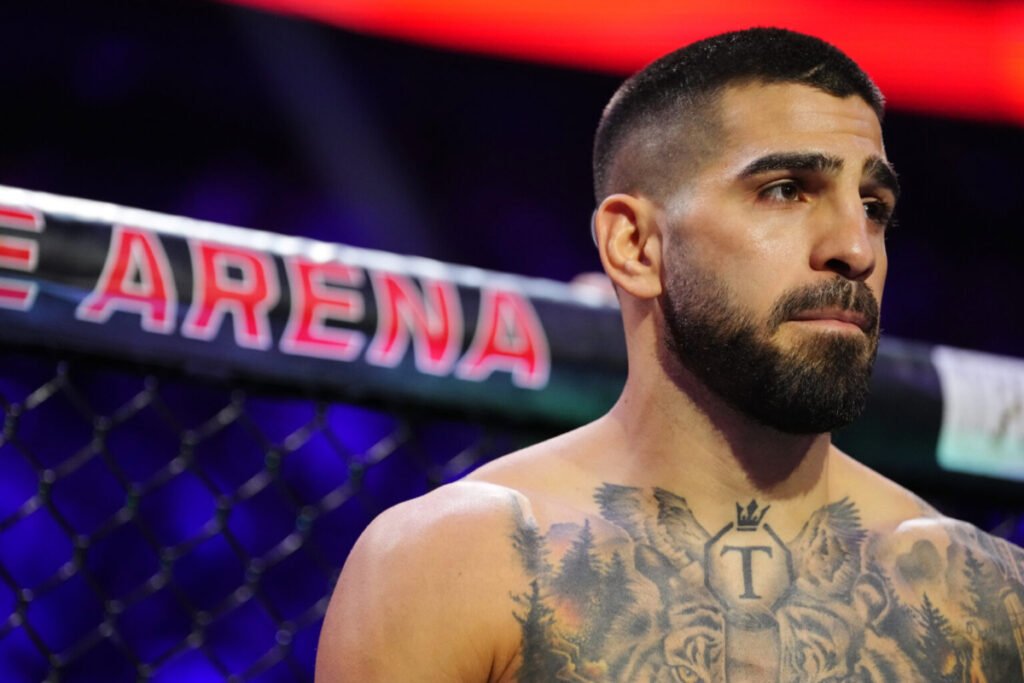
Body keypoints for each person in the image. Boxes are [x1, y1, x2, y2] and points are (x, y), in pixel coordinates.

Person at [315, 27, 1024, 682]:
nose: (856, 248)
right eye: (785, 191)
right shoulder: (458, 565)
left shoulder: (986, 600)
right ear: (635, 246)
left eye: (873, 206)